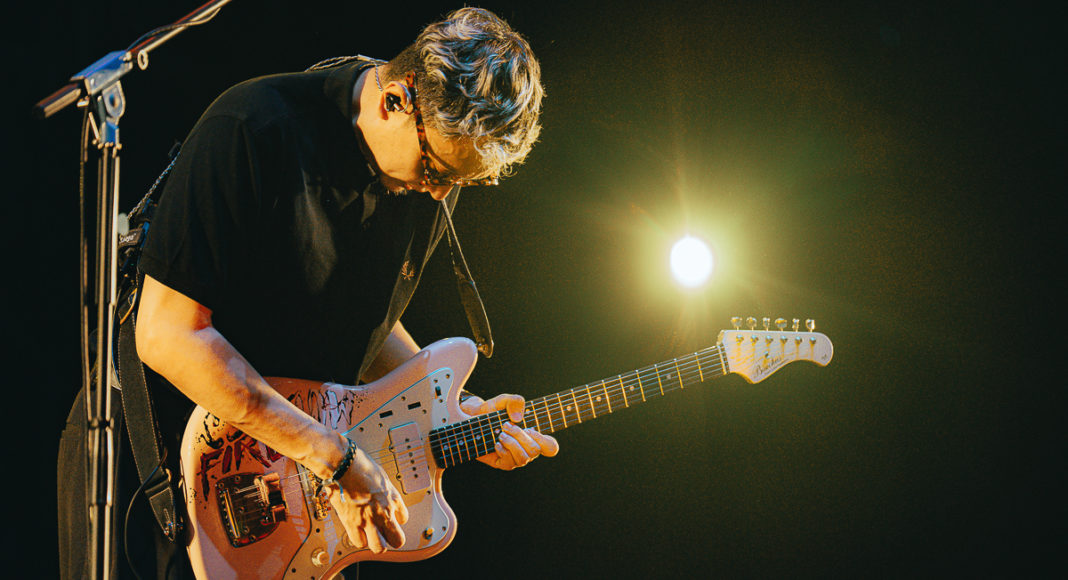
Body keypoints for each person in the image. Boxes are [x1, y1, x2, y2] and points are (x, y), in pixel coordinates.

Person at [57, 7, 558, 579]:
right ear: (396, 99)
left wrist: (446, 411)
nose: (441, 193)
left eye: (463, 181)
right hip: (160, 463)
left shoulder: (427, 174)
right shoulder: (254, 128)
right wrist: (332, 455)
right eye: (437, 170)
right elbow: (168, 334)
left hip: (303, 486)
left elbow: (365, 323)